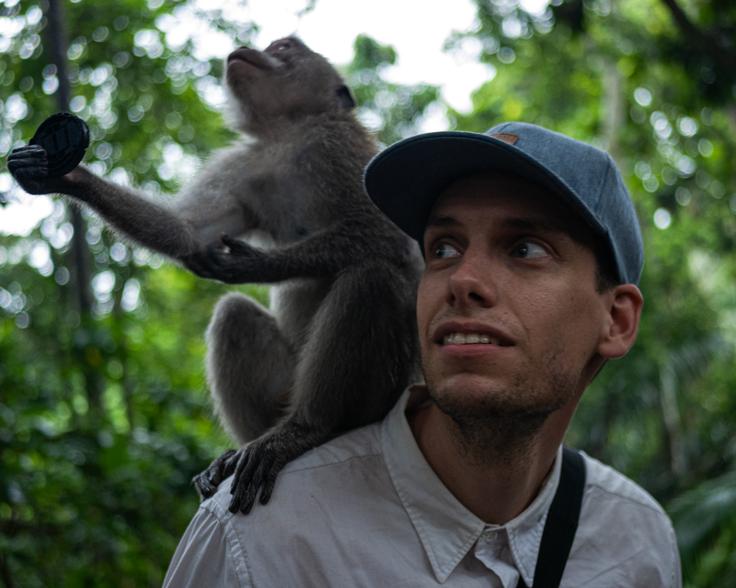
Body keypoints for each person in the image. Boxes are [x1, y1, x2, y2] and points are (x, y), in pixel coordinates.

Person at [163, 122, 681, 587]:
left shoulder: (636, 541)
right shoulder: (260, 540)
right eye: (444, 249)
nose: (463, 281)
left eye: (525, 248)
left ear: (616, 321)